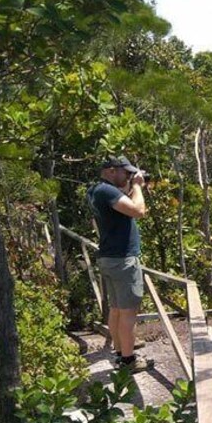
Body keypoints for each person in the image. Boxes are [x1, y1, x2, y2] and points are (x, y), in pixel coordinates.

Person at [87, 155, 153, 372]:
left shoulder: (97, 191)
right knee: (128, 312)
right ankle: (128, 360)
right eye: (125, 172)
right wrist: (138, 188)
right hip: (122, 259)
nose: (128, 176)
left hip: (109, 258)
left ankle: (119, 350)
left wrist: (131, 186)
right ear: (112, 170)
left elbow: (124, 204)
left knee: (116, 308)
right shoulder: (107, 191)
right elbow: (138, 211)